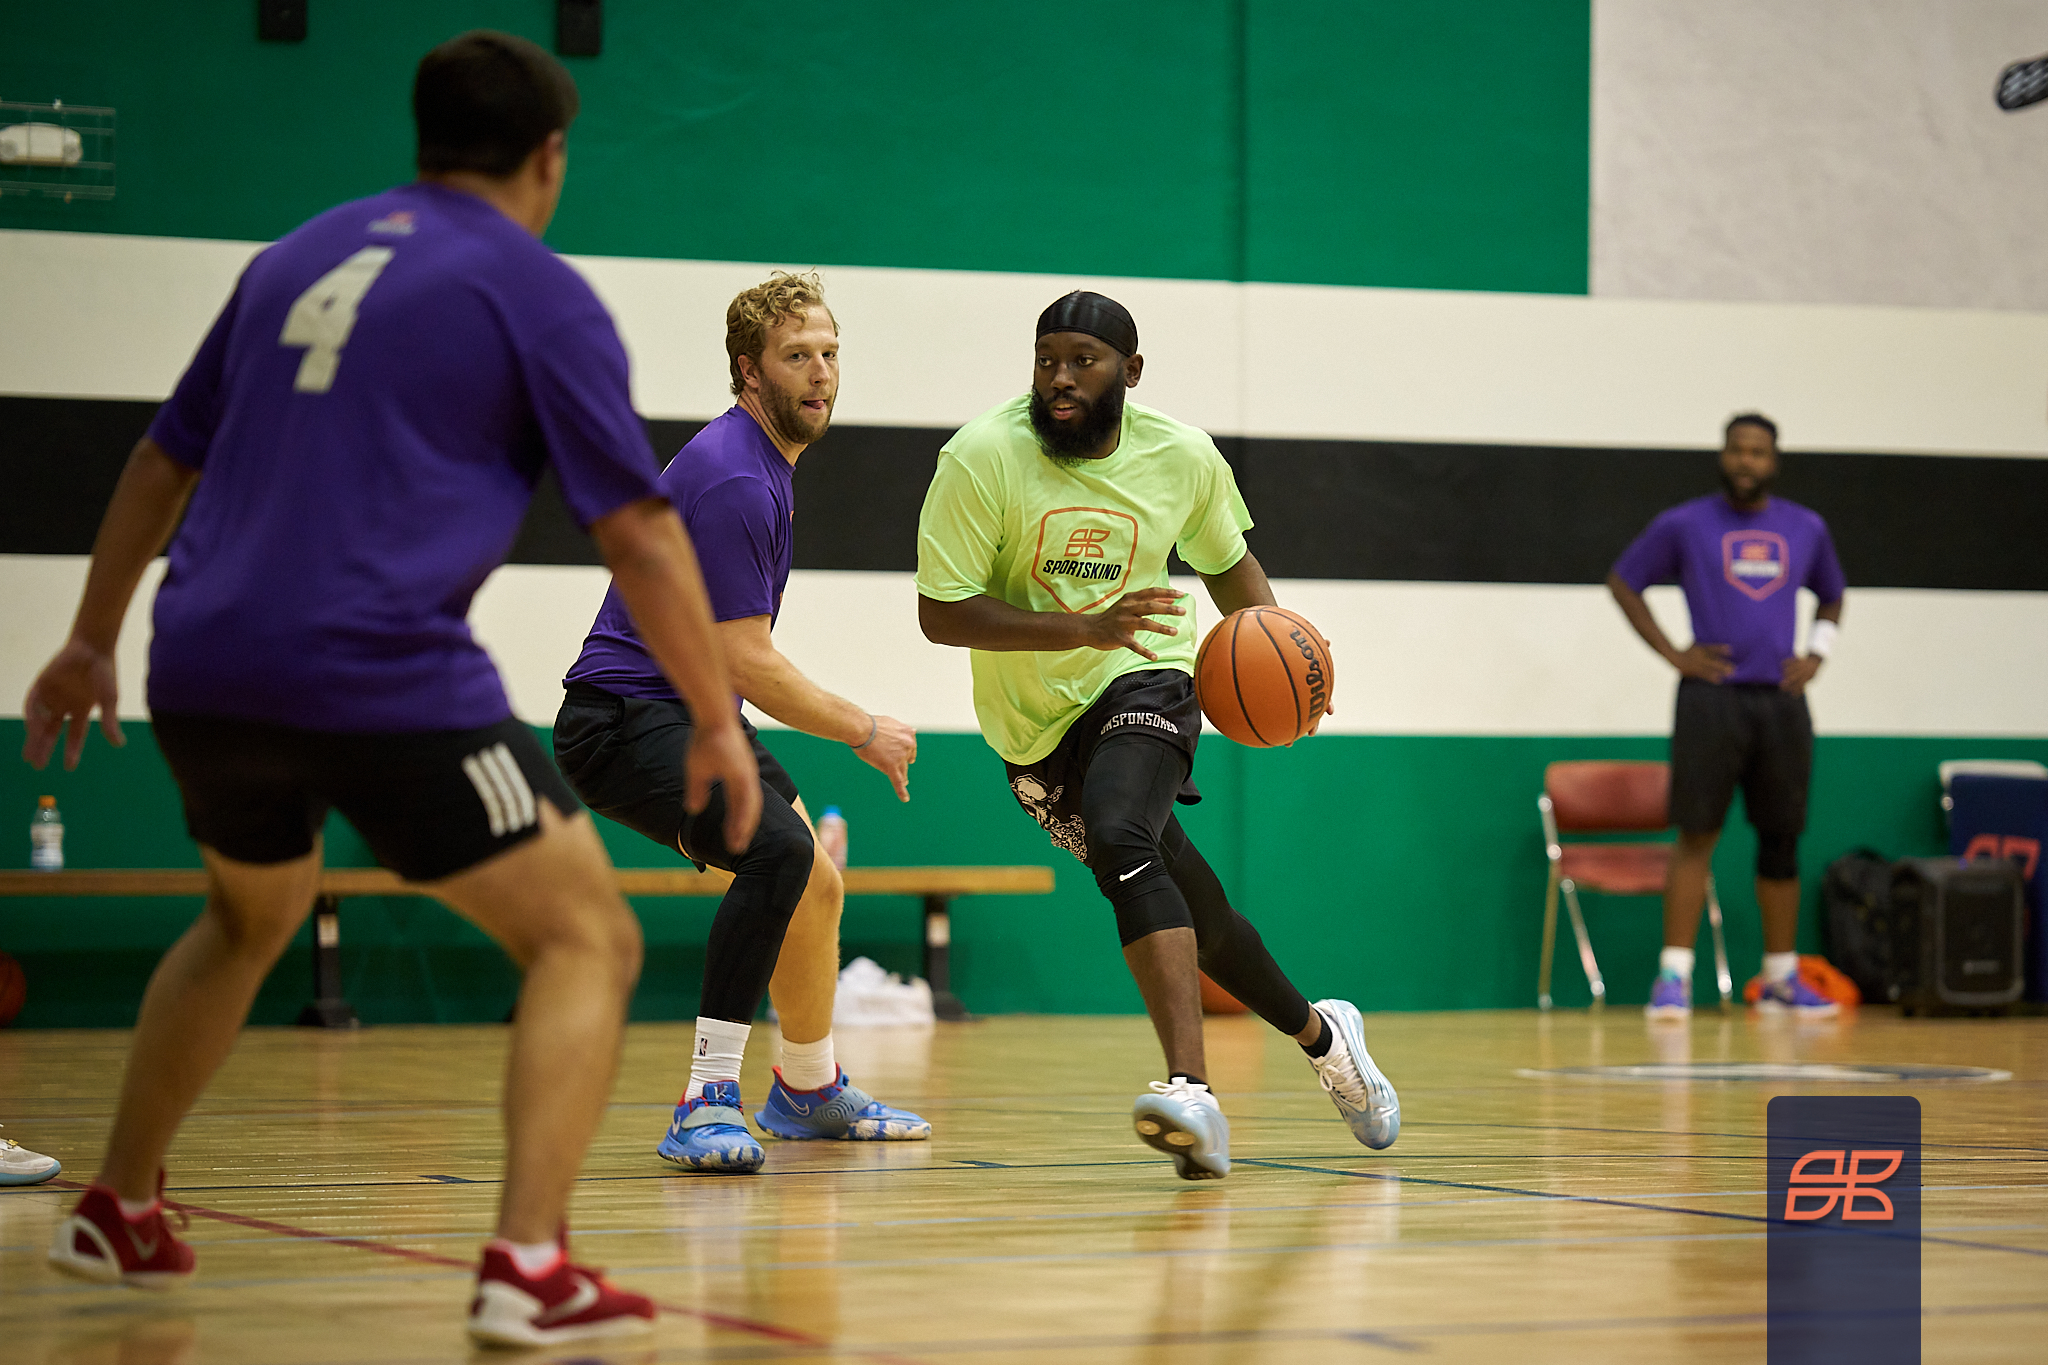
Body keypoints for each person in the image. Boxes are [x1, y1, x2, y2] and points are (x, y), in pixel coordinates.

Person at [22, 32, 762, 1346]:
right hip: (374, 667)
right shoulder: (535, 293)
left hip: (199, 663)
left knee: (248, 915)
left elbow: (157, 462)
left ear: (423, 138)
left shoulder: (291, 260)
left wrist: (89, 641)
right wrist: (715, 718)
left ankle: (118, 1204)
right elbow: (640, 534)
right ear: (550, 157)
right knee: (587, 937)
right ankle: (528, 1265)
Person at [914, 291, 1400, 1181]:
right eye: (1047, 360)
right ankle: (1327, 1038)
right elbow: (941, 613)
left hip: (1147, 674)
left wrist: (1296, 670)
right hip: (1034, 733)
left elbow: (1231, 570)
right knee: (1200, 917)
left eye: (1083, 362)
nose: (1060, 379)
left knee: (1120, 833)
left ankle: (1193, 1093)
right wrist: (1080, 626)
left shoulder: (1182, 455)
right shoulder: (981, 457)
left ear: (1131, 372)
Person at [555, 271, 929, 1174]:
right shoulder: (734, 476)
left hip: (691, 712)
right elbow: (744, 659)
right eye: (797, 356)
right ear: (749, 370)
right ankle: (705, 1098)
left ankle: (807, 1086)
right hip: (623, 720)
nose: (820, 372)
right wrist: (864, 727)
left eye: (829, 353)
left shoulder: (761, 465)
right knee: (779, 854)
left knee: (817, 884)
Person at [1608, 412, 1847, 1020]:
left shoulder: (1806, 527)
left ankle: (1781, 979)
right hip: (1711, 700)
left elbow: (1833, 593)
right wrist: (1674, 654)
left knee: (1781, 841)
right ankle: (1674, 978)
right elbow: (1624, 581)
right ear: (1723, 456)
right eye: (1737, 450)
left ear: (1774, 461)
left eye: (1758, 452)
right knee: (1696, 835)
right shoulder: (1685, 523)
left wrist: (1816, 655)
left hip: (1781, 702)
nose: (1747, 461)